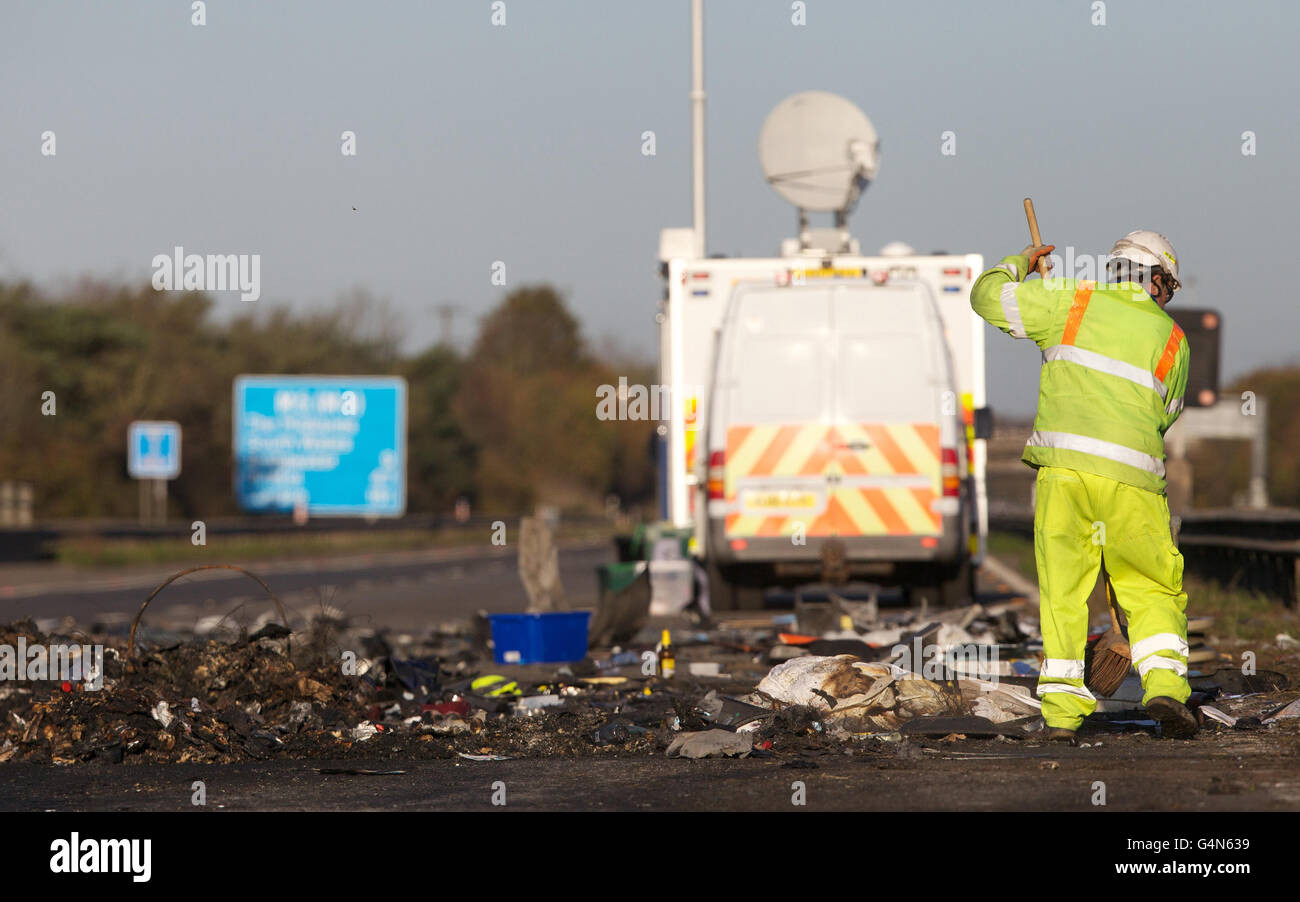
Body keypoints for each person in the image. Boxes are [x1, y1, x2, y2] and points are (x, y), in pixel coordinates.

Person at [970, 230, 1197, 741]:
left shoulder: (1068, 300)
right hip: (1133, 480)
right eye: (1169, 287)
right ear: (1155, 279)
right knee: (1149, 586)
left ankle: (1062, 716)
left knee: (1063, 592)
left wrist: (1020, 263)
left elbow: (986, 294)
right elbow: (1166, 416)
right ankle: (1165, 687)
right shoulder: (1173, 339)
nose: (1167, 298)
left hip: (1063, 476)